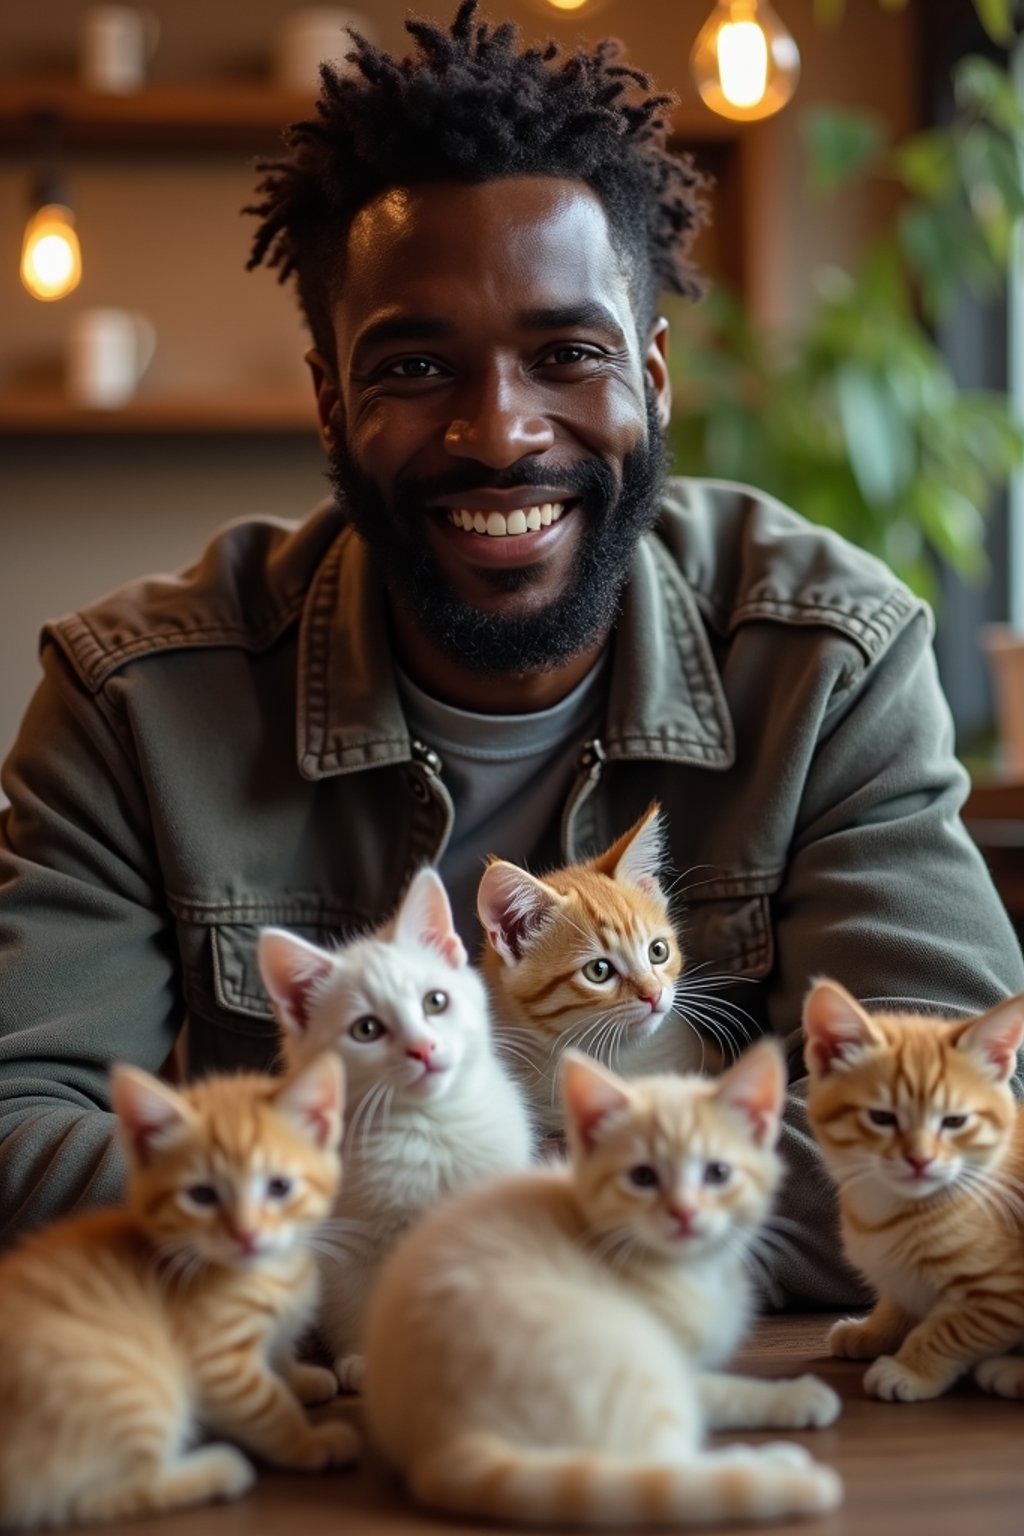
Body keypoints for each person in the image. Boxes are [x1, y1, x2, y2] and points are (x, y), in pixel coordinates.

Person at [0, 1, 1020, 1304]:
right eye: (417, 365)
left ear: (653, 380)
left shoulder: (826, 657)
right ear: (331, 402)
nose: (500, 432)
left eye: (565, 355)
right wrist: (482, 1230)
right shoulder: (131, 700)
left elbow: (965, 1150)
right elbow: (20, 1137)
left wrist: (371, 1222)